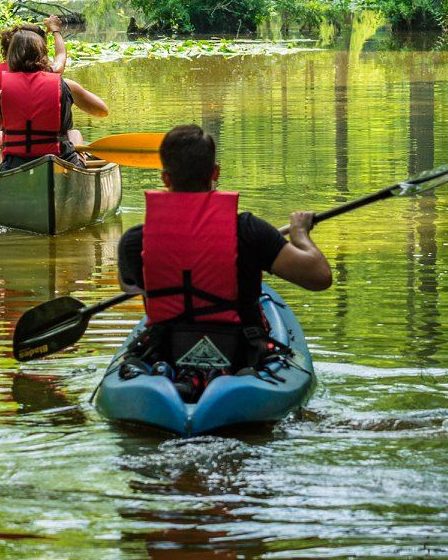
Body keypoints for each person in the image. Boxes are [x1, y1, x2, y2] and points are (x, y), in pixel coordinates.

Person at [115, 122, 331, 390]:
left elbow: (133, 287)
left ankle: (173, 380)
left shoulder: (135, 241)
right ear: (215, 172)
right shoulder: (249, 231)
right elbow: (319, 277)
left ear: (165, 178)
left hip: (166, 353)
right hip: (242, 356)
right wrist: (300, 233)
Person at [0, 25, 108, 169]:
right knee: (74, 133)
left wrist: (11, 140)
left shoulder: (1, 95)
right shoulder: (66, 86)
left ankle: (3, 179)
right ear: (43, 55)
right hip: (60, 164)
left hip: (16, 168)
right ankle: (78, 173)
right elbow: (102, 111)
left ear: (11, 57)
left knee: (2, 149)